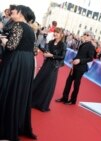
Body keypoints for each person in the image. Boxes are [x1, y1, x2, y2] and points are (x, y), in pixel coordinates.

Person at [0, 5, 37, 140]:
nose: (11, 12)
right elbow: (35, 51)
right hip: (27, 63)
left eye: (14, 11)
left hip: (16, 61)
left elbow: (11, 45)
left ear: (21, 13)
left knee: (7, 90)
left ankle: (4, 128)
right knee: (18, 93)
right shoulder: (31, 30)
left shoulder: (18, 25)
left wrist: (3, 40)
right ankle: (15, 125)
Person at [56, 30, 96, 105]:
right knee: (68, 82)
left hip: (81, 68)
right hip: (75, 66)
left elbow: (90, 58)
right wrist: (73, 59)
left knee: (76, 84)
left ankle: (73, 100)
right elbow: (79, 55)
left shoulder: (91, 46)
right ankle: (64, 97)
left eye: (87, 35)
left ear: (91, 37)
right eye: (85, 34)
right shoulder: (83, 44)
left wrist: (80, 61)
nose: (85, 36)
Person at [32, 27, 66, 112]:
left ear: (61, 35)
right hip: (46, 64)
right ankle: (32, 101)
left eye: (57, 33)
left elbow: (62, 57)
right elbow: (46, 51)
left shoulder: (63, 45)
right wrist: (44, 52)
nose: (55, 34)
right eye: (55, 32)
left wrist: (52, 56)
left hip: (53, 67)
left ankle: (42, 104)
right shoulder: (50, 42)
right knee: (39, 81)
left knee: (47, 85)